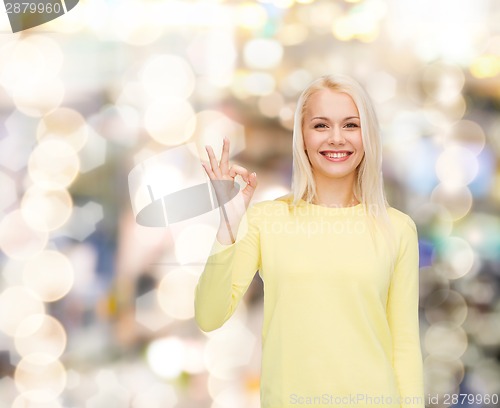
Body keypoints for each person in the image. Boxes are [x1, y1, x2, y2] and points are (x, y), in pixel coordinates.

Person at [195, 74, 424, 408]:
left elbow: (404, 346)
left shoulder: (398, 228)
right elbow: (209, 315)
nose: (336, 138)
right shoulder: (266, 220)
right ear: (301, 136)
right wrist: (229, 223)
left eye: (350, 125)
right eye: (320, 125)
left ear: (368, 136)